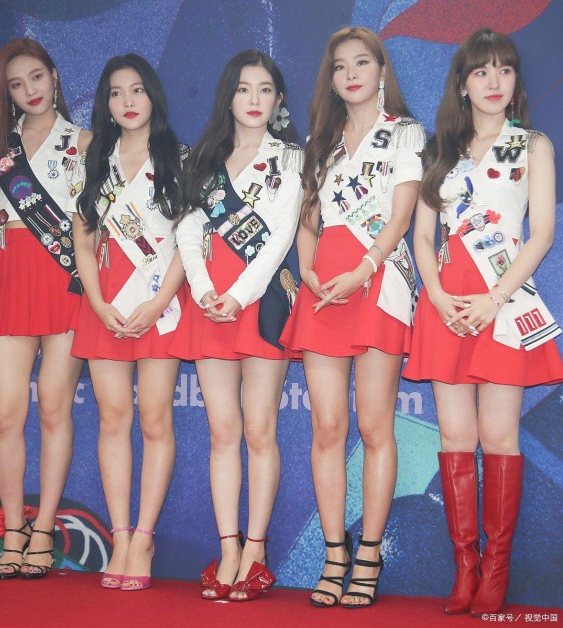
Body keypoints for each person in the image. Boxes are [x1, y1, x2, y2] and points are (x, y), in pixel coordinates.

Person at [403, 28, 563, 616]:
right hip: (446, 302)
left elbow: (541, 234)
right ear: (463, 84)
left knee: (499, 437)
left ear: (516, 80)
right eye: (481, 71)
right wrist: (437, 295)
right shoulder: (440, 150)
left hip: (503, 301)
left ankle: (496, 568)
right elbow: (423, 237)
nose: (494, 81)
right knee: (455, 438)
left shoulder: (533, 146)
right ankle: (464, 567)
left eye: (504, 69)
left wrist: (495, 298)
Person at [280, 26, 424, 608]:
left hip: (377, 278)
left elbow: (401, 216)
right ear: (332, 80)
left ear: (381, 70)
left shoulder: (405, 132)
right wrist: (308, 269)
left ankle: (369, 552)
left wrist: (362, 270)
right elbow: (307, 220)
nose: (351, 74)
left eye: (361, 63)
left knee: (374, 428)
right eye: (340, 67)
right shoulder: (321, 141)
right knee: (327, 427)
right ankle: (333, 551)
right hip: (323, 288)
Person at [170, 49, 302, 602]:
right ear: (228, 96)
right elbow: (186, 230)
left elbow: (281, 235)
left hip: (261, 302)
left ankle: (256, 550)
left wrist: (238, 295)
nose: (254, 99)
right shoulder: (203, 158)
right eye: (244, 89)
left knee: (259, 430)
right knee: (222, 432)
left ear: (278, 100)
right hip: (210, 304)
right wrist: (204, 290)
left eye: (265, 89)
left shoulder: (291, 159)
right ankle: (228, 548)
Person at [0, 38, 91, 579]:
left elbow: (92, 226)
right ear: (7, 93)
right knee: (6, 413)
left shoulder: (84, 142)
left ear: (54, 76)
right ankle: (13, 529)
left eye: (37, 77)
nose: (30, 90)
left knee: (54, 408)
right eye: (17, 84)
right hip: (9, 278)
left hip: (65, 281)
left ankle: (43, 530)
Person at [71, 54, 187, 591]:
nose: (128, 101)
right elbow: (83, 239)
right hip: (107, 305)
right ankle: (119, 536)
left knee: (154, 420)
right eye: (116, 93)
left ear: (153, 95)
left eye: (137, 90)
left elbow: (189, 241)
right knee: (113, 418)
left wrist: (160, 301)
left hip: (159, 307)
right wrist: (97, 303)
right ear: (106, 103)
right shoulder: (95, 158)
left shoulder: (179, 158)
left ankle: (144, 538)